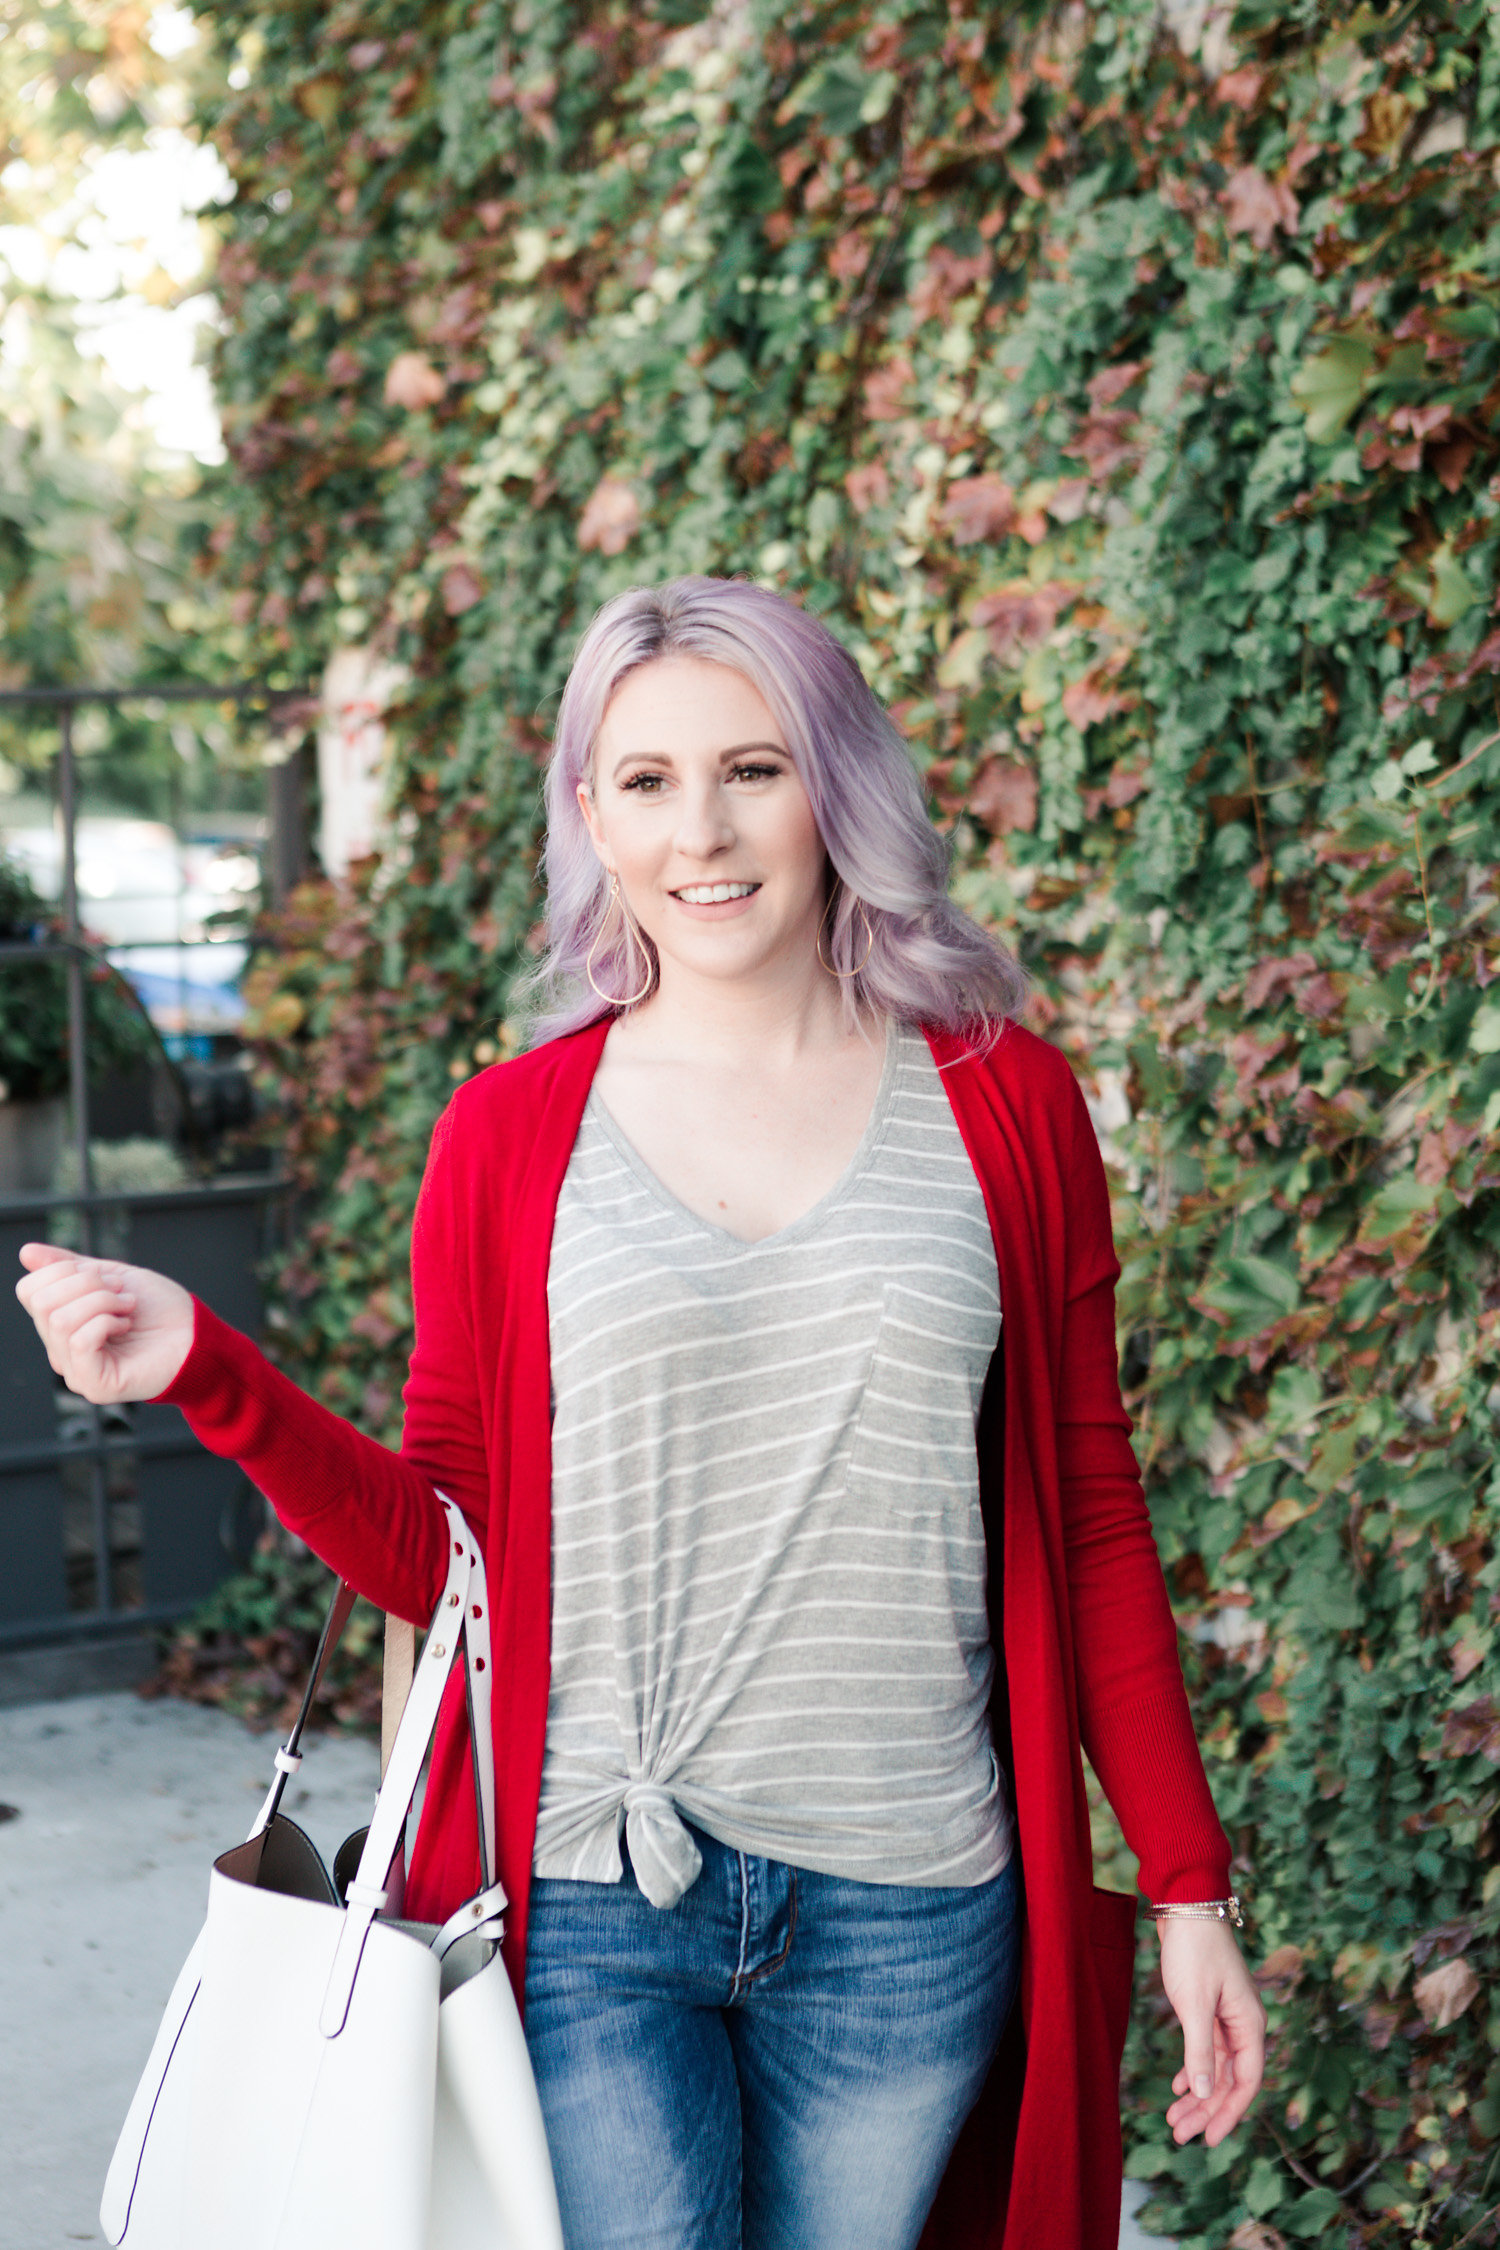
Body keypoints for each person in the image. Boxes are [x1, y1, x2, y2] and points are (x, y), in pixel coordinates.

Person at [17, 576, 1264, 2250]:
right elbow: (437, 1548)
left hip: (914, 1891)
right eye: (650, 780)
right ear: (591, 815)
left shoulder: (1003, 1101)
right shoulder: (508, 1138)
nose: (707, 831)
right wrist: (205, 1370)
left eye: (754, 767)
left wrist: (1187, 1885)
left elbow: (1091, 1505)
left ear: (835, 782)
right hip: (593, 1891)